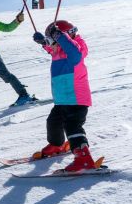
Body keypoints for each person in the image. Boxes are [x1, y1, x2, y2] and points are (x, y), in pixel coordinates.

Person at [31, 20, 101, 172]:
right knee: (53, 122)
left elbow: (74, 52)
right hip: (62, 99)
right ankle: (57, 145)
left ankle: (84, 159)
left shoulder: (76, 51)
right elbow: (52, 49)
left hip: (76, 99)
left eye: (52, 40)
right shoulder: (58, 51)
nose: (51, 45)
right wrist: (44, 42)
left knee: (72, 126)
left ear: (63, 37)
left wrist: (59, 36)